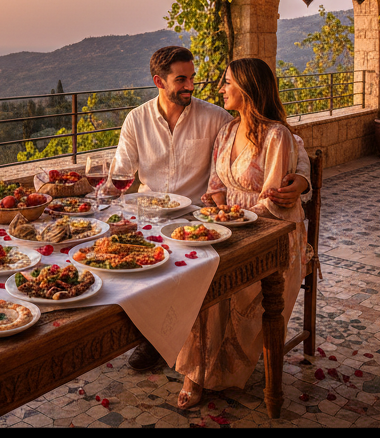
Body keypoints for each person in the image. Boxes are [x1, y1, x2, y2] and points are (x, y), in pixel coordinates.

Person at [112, 45, 311, 370]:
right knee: (122, 260)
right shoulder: (137, 120)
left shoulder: (216, 118)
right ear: (159, 82)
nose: (191, 85)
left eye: (192, 77)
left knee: (189, 272)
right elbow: (119, 174)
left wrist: (302, 178)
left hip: (199, 220)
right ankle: (149, 335)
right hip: (149, 218)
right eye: (182, 79)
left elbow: (288, 140)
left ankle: (172, 348)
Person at [173, 56, 310, 408]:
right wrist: (219, 209)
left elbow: (274, 202)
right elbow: (217, 184)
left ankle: (206, 373)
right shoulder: (228, 130)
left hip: (272, 234)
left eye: (227, 82)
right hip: (231, 226)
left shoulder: (277, 136)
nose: (220, 88)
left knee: (217, 275)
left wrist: (232, 220)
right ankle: (200, 368)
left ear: (247, 89)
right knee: (196, 271)